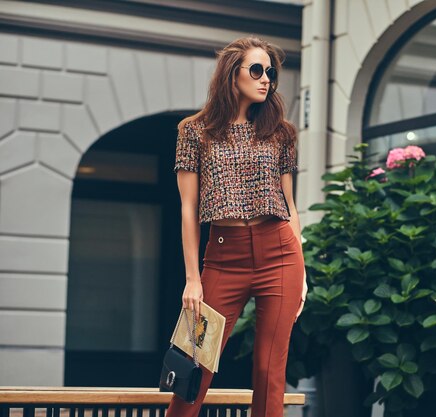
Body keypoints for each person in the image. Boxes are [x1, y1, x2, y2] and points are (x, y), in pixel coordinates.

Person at [166, 36, 307, 417]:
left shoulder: (282, 132)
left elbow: (290, 206)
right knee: (194, 362)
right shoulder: (194, 131)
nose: (266, 80)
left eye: (271, 73)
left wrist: (303, 271)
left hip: (279, 253)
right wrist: (193, 278)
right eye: (257, 70)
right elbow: (188, 208)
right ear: (232, 74)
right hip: (224, 258)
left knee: (268, 370)